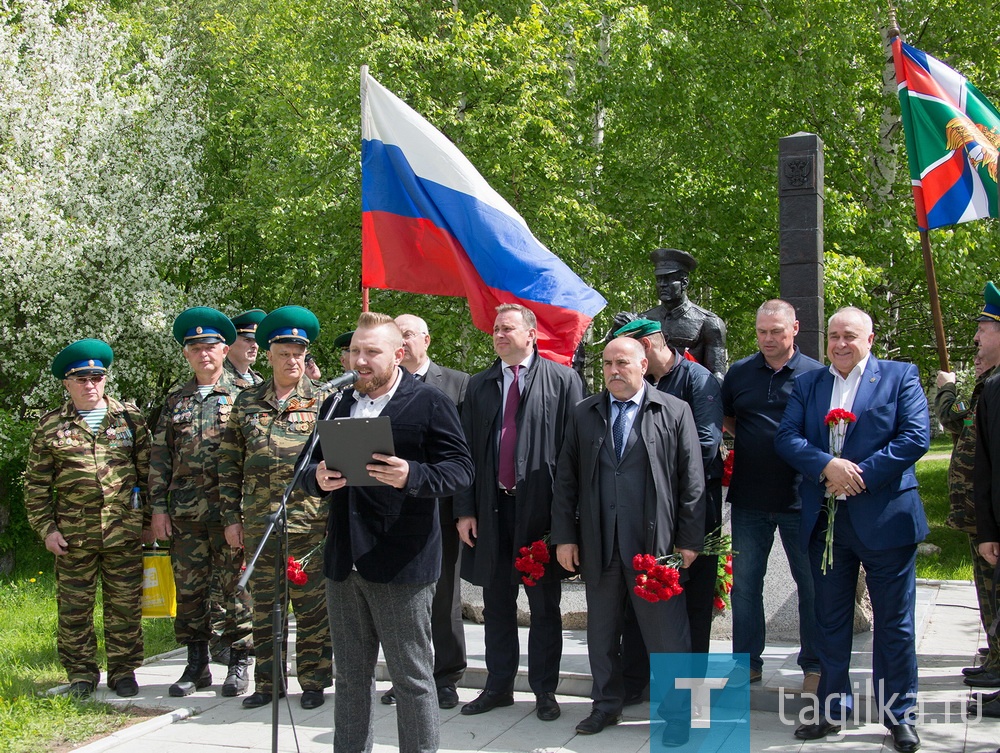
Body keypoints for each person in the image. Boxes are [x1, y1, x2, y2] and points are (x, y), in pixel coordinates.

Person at [301, 312, 473, 753]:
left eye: (371, 352)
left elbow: (460, 471)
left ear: (398, 354)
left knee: (412, 678)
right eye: (355, 350)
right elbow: (303, 470)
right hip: (345, 563)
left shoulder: (429, 402)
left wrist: (411, 474)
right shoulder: (337, 404)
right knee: (351, 678)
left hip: (403, 563)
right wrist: (316, 479)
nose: (360, 360)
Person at [775, 306, 929, 752]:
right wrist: (827, 465)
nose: (841, 344)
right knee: (830, 621)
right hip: (827, 526)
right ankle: (830, 711)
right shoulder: (809, 383)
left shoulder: (899, 377)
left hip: (887, 523)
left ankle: (899, 716)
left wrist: (856, 474)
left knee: (894, 624)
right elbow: (787, 438)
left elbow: (914, 437)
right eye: (834, 336)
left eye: (850, 336)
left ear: (870, 339)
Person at [551, 337, 706, 736]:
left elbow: (692, 481)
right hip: (599, 544)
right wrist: (565, 537)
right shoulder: (584, 413)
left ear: (642, 364)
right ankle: (605, 705)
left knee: (667, 635)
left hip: (655, 548)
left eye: (622, 363)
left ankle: (676, 715)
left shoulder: (673, 410)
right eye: (606, 364)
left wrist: (689, 541)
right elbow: (565, 480)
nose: (613, 371)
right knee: (601, 633)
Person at [455, 303, 584, 722]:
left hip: (541, 516)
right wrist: (465, 509)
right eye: (495, 329)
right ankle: (498, 686)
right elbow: (467, 454)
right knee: (496, 603)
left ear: (531, 334)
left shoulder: (563, 381)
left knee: (544, 605)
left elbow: (574, 458)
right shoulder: (479, 385)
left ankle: (544, 690)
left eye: (507, 328)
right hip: (492, 512)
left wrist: (566, 524)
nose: (499, 334)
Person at [219, 306, 332, 708]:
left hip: (310, 525)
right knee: (265, 608)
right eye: (284, 352)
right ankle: (268, 684)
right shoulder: (247, 402)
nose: (292, 360)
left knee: (312, 608)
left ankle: (315, 683)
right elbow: (229, 465)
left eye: (299, 352)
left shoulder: (326, 402)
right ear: (269, 354)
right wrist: (231, 520)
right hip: (259, 525)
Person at [24, 339, 151, 699]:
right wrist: (46, 529)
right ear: (67, 383)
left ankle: (123, 672)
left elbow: (148, 474)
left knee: (125, 608)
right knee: (74, 610)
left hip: (123, 532)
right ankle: (81, 673)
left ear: (105, 379)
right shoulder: (50, 427)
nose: (90, 384)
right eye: (81, 378)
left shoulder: (129, 419)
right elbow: (35, 484)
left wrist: (148, 523)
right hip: (72, 536)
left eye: (97, 376)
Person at [613, 317, 722, 702]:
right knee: (640, 599)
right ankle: (636, 682)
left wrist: (657, 481)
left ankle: (689, 693)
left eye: (631, 354)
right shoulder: (635, 387)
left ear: (648, 349)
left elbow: (706, 447)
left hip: (693, 514)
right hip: (642, 518)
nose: (622, 366)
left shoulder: (696, 379)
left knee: (689, 607)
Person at [149, 307, 253, 697]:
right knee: (189, 590)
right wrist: (157, 510)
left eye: (210, 346)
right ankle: (197, 665)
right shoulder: (175, 400)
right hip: (185, 514)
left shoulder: (246, 397)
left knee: (236, 587)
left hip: (232, 512)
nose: (203, 354)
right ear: (186, 355)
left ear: (225, 350)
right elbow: (160, 458)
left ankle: (240, 661)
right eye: (195, 348)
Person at [721, 300, 824, 691]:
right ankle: (746, 663)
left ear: (794, 329)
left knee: (811, 585)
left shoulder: (816, 375)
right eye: (761, 331)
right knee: (746, 585)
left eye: (776, 332)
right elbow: (729, 418)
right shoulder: (740, 373)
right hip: (749, 499)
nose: (767, 339)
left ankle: (813, 664)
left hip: (802, 499)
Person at [377, 314, 470, 710]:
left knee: (443, 595)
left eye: (410, 334)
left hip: (440, 508)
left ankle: (446, 676)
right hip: (391, 511)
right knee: (400, 599)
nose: (405, 341)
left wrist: (466, 510)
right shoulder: (381, 387)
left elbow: (465, 456)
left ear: (426, 340)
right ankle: (406, 675)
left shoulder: (458, 384)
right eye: (399, 336)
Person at [939, 283, 1000, 692]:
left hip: (990, 512)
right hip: (980, 512)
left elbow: (954, 419)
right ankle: (995, 654)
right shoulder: (988, 383)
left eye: (984, 328)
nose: (976, 337)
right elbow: (960, 422)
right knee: (988, 590)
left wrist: (946, 389)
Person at [613, 248, 727, 380]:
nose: (662, 285)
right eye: (659, 280)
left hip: (689, 393)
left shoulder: (708, 323)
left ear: (684, 282)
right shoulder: (644, 319)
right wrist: (618, 331)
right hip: (650, 394)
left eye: (668, 280)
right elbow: (618, 358)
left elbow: (717, 375)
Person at [225, 309, 266, 388]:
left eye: (256, 341)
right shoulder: (217, 379)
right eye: (248, 340)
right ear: (229, 344)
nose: (255, 346)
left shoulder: (260, 382)